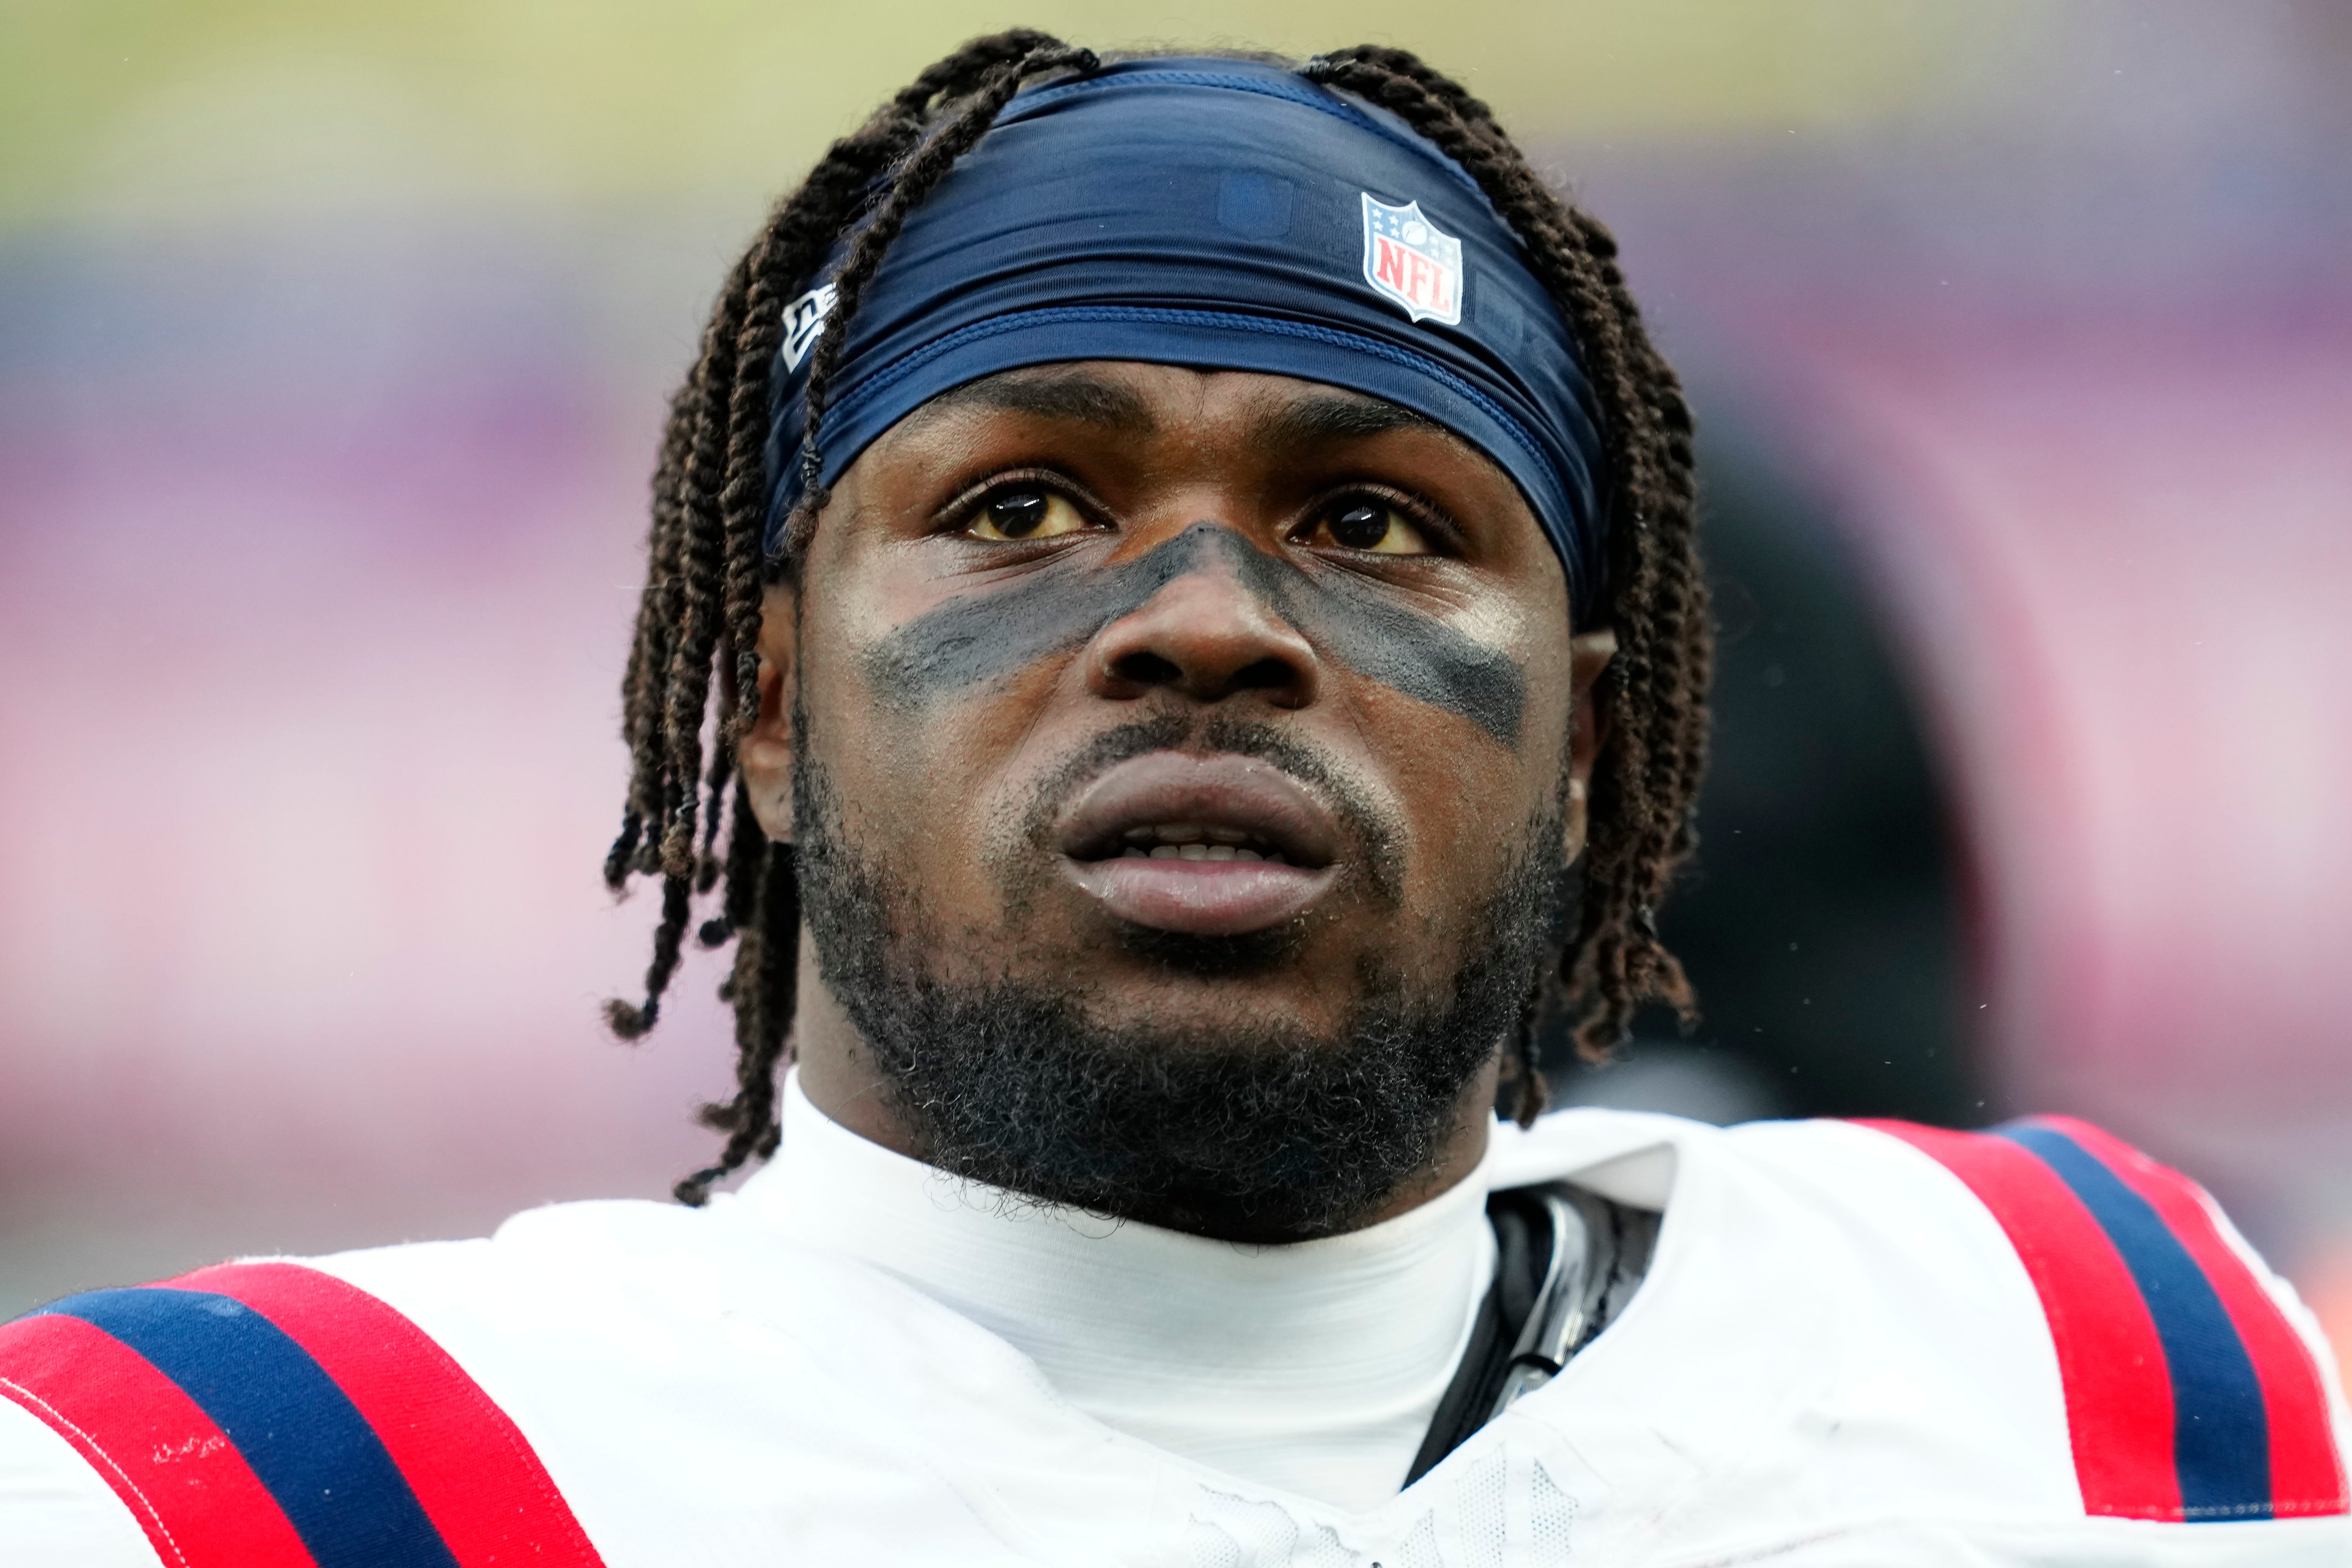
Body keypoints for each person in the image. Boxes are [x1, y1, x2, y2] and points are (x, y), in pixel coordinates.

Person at [3, 34, 2344, 1567]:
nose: (1207, 619)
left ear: (1601, 751)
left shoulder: (2095, 1355)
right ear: (769, 706)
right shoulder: (246, 1489)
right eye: (1023, 508)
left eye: (1375, 521)